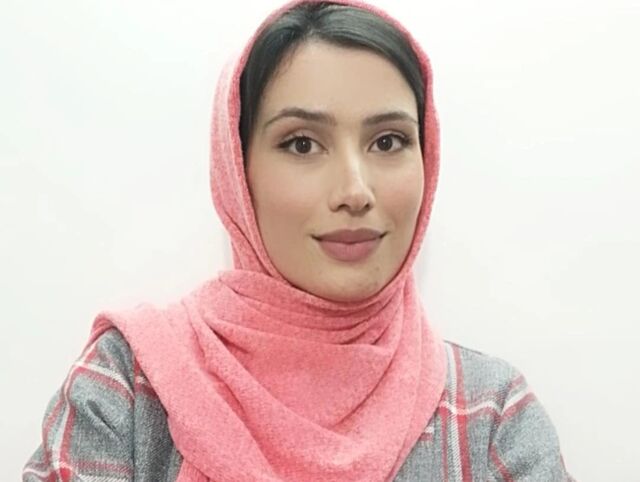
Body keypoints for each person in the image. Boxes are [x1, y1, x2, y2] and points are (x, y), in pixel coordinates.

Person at [23, 0, 575, 480]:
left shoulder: (489, 417)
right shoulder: (127, 389)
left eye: (388, 141)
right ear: (237, 170)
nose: (355, 191)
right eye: (302, 144)